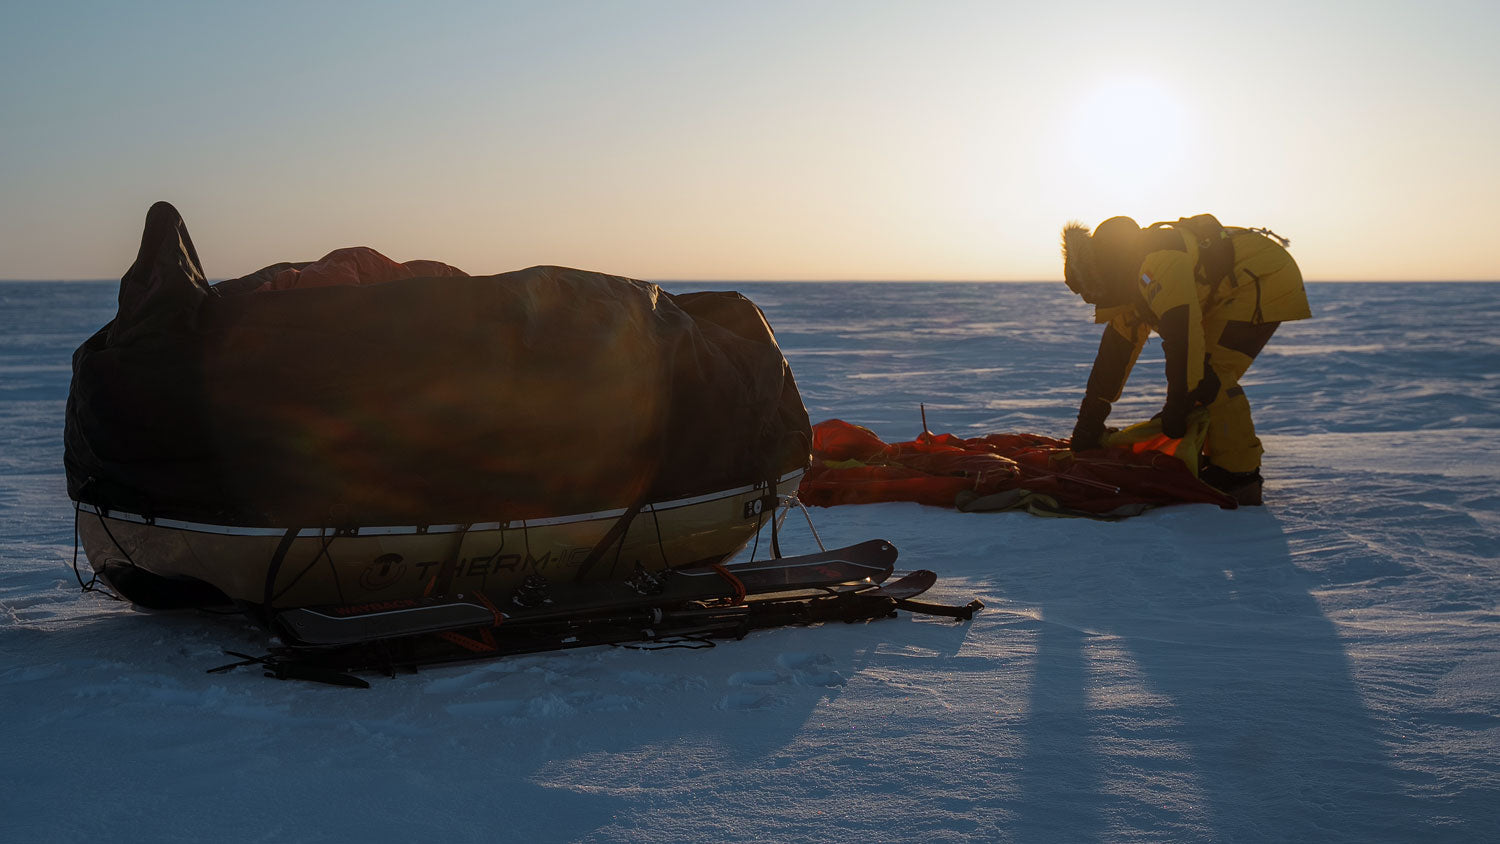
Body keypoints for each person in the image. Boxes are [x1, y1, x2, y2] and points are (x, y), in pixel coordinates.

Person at [1060, 214, 1311, 505]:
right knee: (1198, 377)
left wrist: (1177, 403)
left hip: (1263, 278)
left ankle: (1239, 476)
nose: (1090, 300)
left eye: (1091, 292)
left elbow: (1184, 338)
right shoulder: (1127, 277)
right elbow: (1115, 354)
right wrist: (1091, 416)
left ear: (1102, 273)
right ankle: (1216, 459)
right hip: (1228, 287)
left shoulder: (1159, 263)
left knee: (1209, 378)